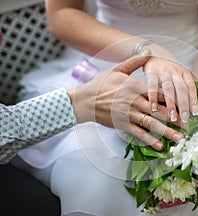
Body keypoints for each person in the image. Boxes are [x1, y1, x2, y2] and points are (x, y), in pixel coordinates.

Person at [12, 0, 198, 215]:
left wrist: (192, 93)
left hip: (196, 63)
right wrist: (147, 51)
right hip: (104, 62)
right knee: (100, 177)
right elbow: (61, 15)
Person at [0, 28, 183, 215]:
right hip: (96, 61)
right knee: (97, 175)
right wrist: (83, 101)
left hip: (183, 60)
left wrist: (190, 92)